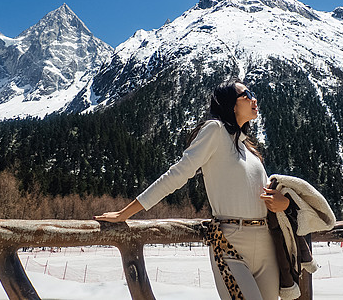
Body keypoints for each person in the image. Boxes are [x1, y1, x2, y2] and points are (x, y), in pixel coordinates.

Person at [95, 79, 290, 300]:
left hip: (266, 244)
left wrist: (284, 203)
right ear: (230, 104)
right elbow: (177, 174)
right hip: (230, 244)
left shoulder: (249, 149)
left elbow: (267, 195)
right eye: (246, 94)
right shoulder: (215, 130)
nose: (254, 98)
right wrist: (125, 213)